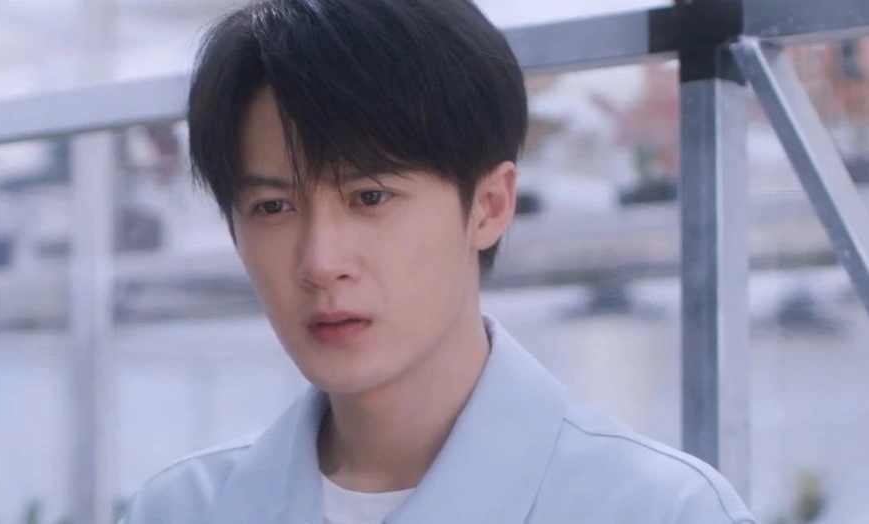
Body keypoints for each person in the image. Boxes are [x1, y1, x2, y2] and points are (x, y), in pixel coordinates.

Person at [122, 0, 755, 522]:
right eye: (272, 207)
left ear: (489, 205)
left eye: (370, 197)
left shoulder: (659, 509)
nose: (320, 261)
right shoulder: (179, 509)